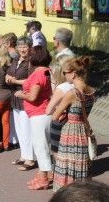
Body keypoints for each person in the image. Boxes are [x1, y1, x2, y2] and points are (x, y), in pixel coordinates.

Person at [52, 57, 96, 189]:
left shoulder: (72, 93)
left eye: (65, 73)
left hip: (70, 132)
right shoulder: (92, 91)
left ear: (73, 73)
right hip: (83, 129)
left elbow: (55, 116)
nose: (64, 75)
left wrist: (62, 111)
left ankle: (66, 194)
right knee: (80, 164)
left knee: (67, 164)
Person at [14, 45, 53, 190]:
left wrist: (20, 94)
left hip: (39, 114)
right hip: (44, 112)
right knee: (45, 145)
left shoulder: (38, 74)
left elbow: (33, 96)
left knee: (40, 146)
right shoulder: (47, 71)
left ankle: (43, 178)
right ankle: (46, 173)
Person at [6, 38, 35, 169]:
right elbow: (10, 72)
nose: (22, 49)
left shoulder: (31, 63)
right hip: (15, 98)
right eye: (20, 47)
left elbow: (32, 81)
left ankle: (30, 158)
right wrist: (7, 77)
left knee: (26, 129)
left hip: (25, 98)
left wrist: (15, 81)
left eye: (25, 47)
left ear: (30, 48)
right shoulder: (16, 60)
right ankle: (24, 155)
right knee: (19, 129)